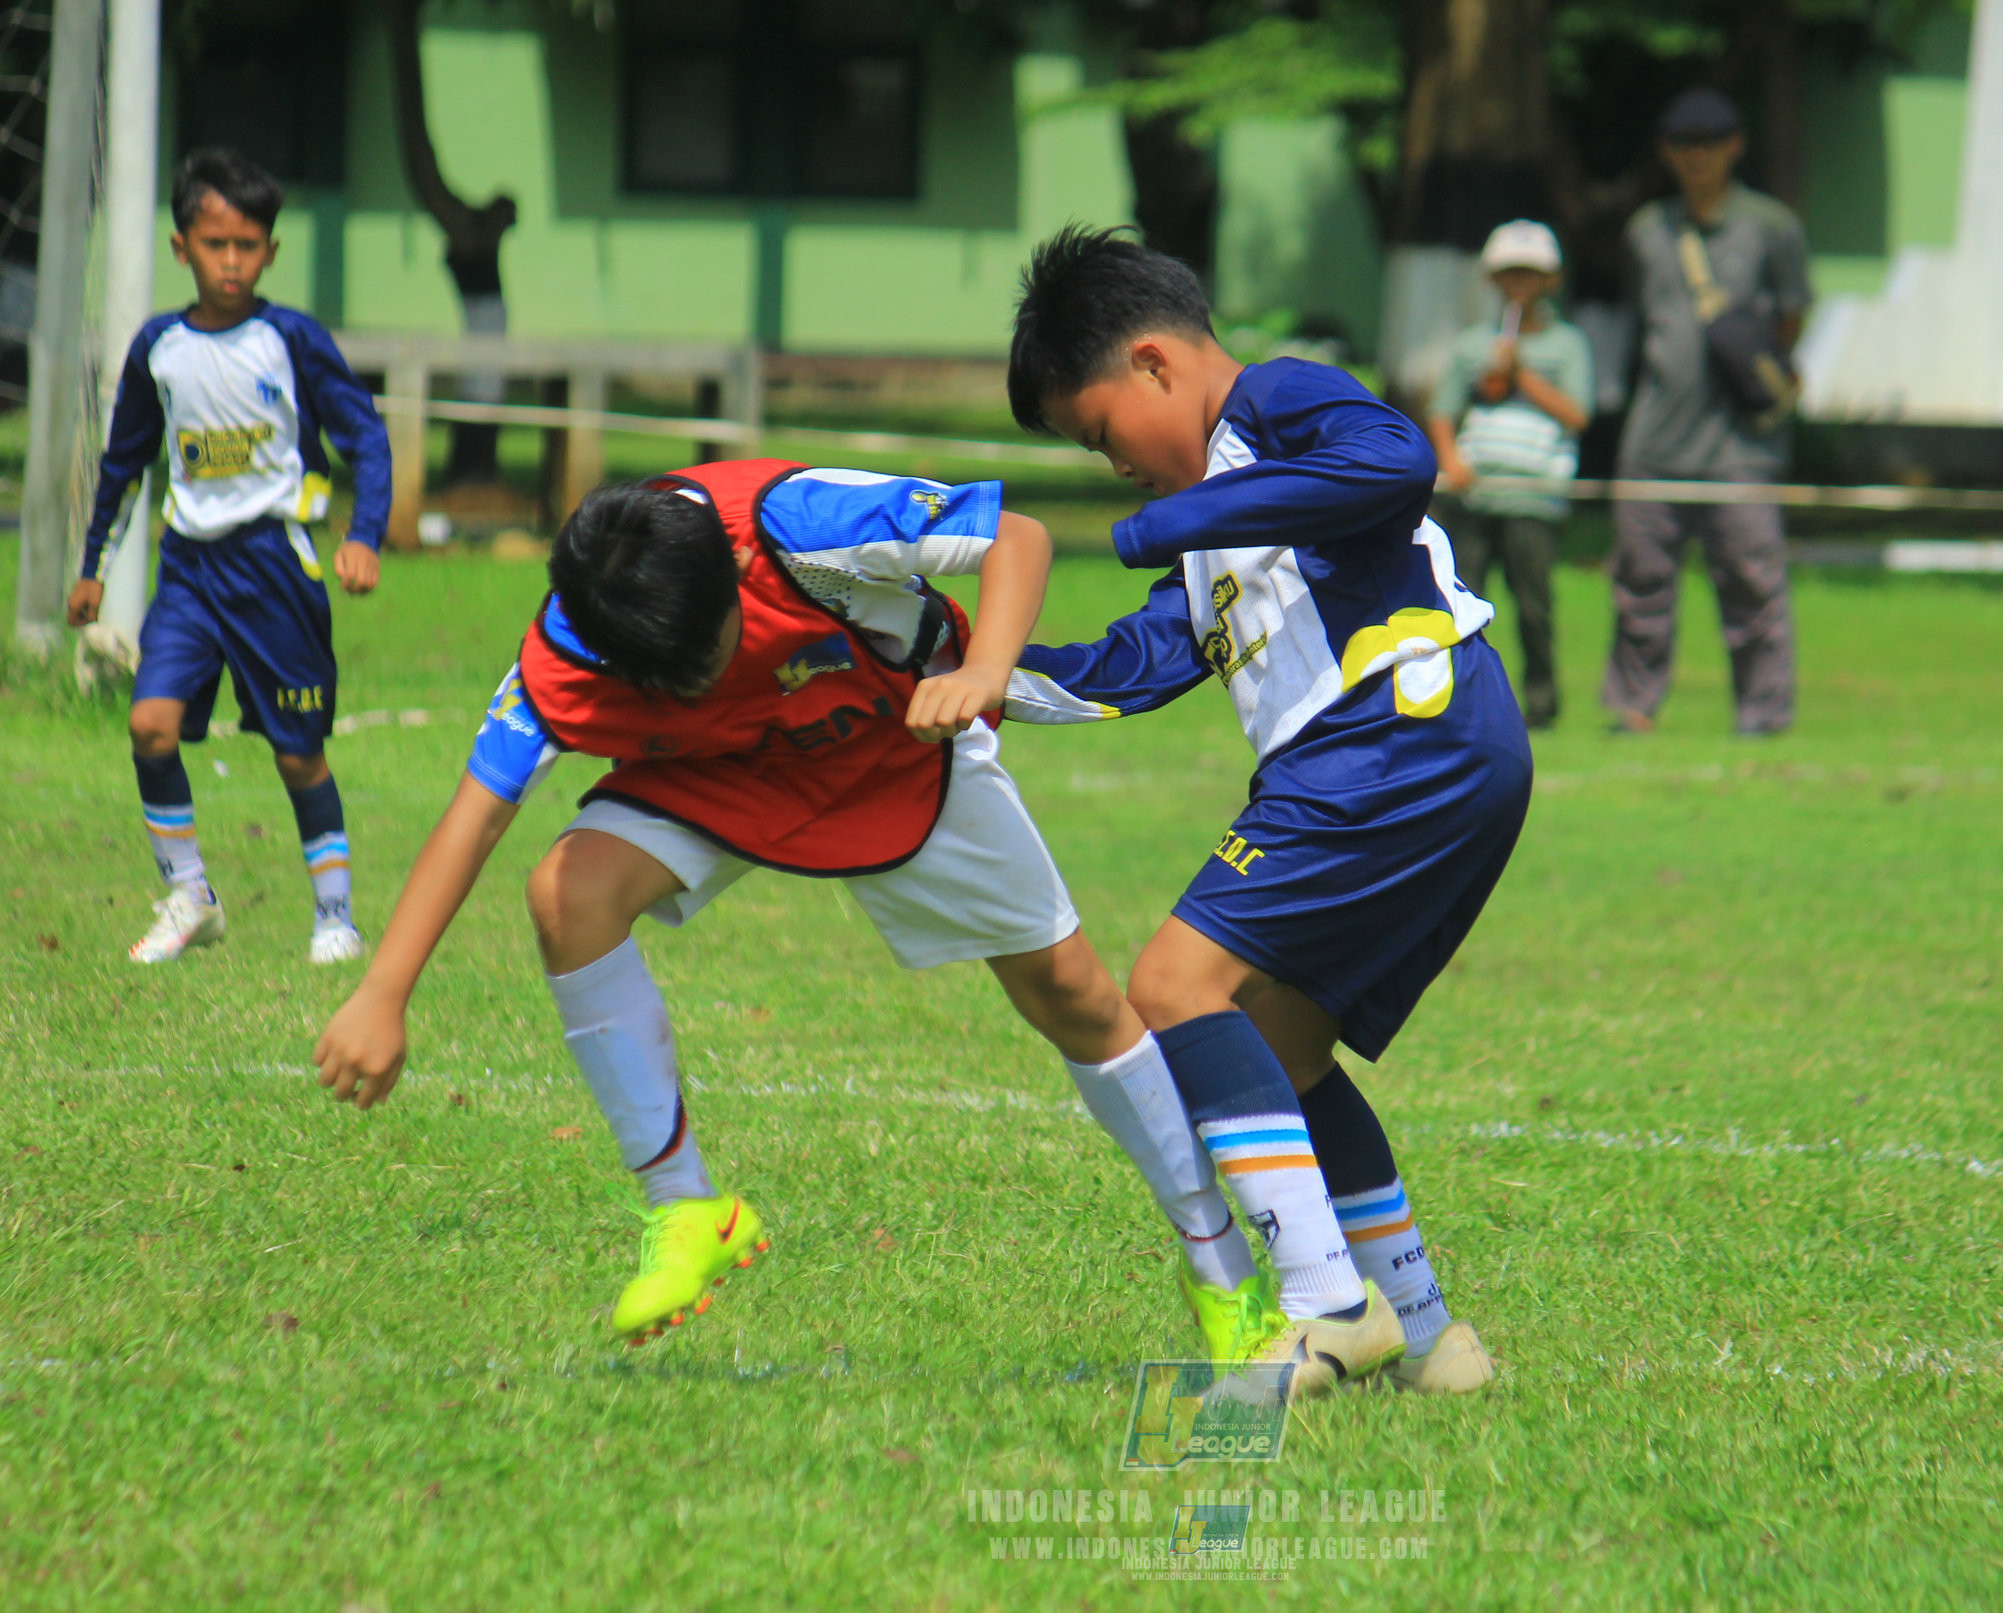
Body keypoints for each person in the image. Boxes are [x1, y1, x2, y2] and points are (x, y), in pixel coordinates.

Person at [311, 461, 1256, 1351]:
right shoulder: (574, 639)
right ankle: (687, 1210)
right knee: (568, 895)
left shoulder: (801, 525)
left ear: (728, 578)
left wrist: (984, 671)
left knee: (1073, 996)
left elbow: (1018, 535)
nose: (693, 682)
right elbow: (477, 814)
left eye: (706, 656)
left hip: (891, 740)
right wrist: (383, 993)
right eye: (665, 679)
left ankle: (1221, 1268)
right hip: (724, 772)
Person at [1004, 227, 1533, 1397]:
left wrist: (1169, 522)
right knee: (1283, 1046)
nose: (1115, 471)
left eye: (1099, 434)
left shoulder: (1274, 403)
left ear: (1153, 363)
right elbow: (1128, 666)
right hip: (1429, 750)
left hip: (1397, 728)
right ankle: (1428, 1330)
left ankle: (1323, 1304)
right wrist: (974, 671)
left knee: (1171, 987)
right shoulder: (1212, 535)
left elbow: (1396, 462)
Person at [67, 148, 393, 964]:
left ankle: (335, 917)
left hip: (274, 569)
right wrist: (93, 566)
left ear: (270, 251)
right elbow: (125, 460)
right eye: (216, 245)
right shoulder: (158, 348)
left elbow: (365, 435)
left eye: (249, 245)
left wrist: (363, 534)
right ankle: (189, 896)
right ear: (182, 248)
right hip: (188, 571)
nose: (233, 262)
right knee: (149, 724)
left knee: (296, 751)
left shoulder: (290, 339)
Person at [1605, 87, 1810, 737]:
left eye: (1710, 144)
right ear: (1666, 152)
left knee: (1753, 585)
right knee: (1639, 584)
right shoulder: (1646, 230)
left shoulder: (1770, 226)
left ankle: (1762, 714)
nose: (1698, 157)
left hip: (1738, 445)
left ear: (1734, 147)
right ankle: (1632, 707)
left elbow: (1792, 311)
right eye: (1684, 145)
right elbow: (1642, 323)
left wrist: (1760, 368)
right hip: (1653, 438)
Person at [1424, 219, 1593, 730]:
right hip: (1475, 497)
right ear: (1494, 280)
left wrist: (1522, 376)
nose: (1520, 285)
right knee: (1464, 603)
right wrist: (1450, 459)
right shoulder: (1473, 345)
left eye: (1531, 274)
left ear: (1550, 281)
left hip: (1533, 496)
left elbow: (1578, 415)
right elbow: (1443, 410)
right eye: (1510, 274)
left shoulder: (1567, 346)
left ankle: (1541, 705)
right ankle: (1465, 700)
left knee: (1534, 606)